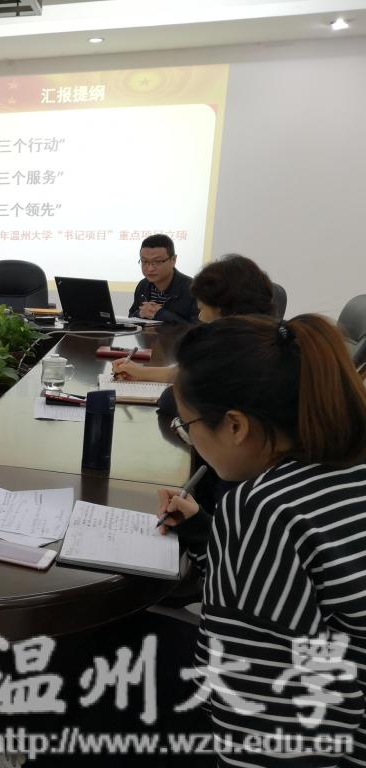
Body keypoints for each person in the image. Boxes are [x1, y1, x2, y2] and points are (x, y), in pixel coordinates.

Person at [156, 314, 366, 766]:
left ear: (235, 425)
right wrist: (204, 532)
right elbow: (298, 594)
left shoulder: (263, 508)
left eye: (186, 426)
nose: (189, 438)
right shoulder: (345, 467)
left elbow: (263, 719)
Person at [114, 253, 276, 383]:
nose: (200, 316)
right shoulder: (261, 341)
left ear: (222, 308)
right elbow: (189, 372)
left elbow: (190, 382)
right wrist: (140, 371)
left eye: (202, 307)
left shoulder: (235, 354)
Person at [127, 233, 199, 325]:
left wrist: (161, 314)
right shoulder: (143, 285)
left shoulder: (192, 289)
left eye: (157, 262)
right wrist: (140, 313)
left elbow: (199, 327)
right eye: (145, 261)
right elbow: (131, 318)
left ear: (173, 260)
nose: (150, 268)